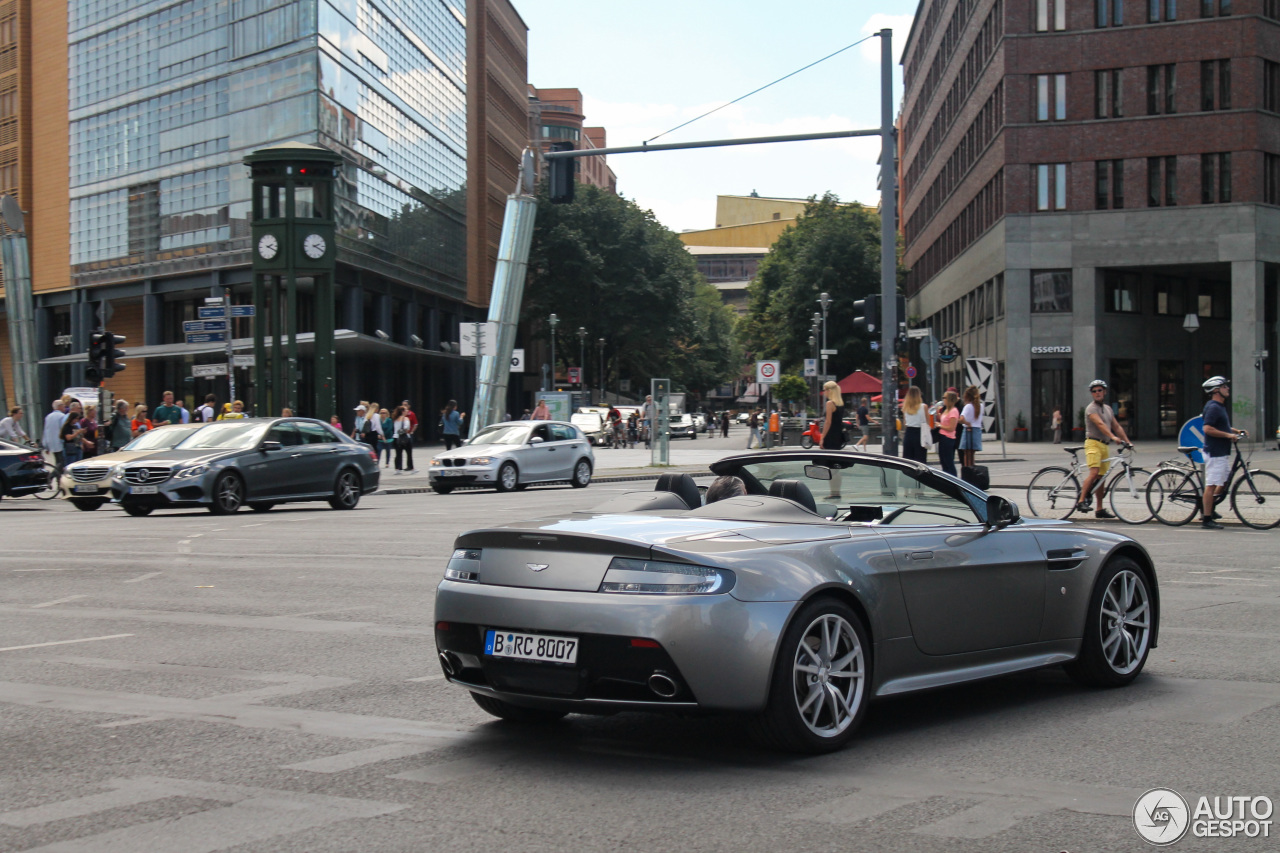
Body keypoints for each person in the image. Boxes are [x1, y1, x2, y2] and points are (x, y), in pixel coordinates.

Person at [1076, 379, 1131, 519]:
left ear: (1104, 392)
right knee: (1094, 473)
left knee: (1102, 478)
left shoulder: (1107, 409)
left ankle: (1099, 509)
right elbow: (1100, 424)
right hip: (1093, 443)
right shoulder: (1091, 408)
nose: (1097, 393)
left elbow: (1116, 426)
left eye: (1099, 390)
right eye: (1094, 391)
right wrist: (1113, 437)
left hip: (1104, 445)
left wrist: (1127, 441)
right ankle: (1081, 501)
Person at [1200, 375, 1245, 530]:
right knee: (1211, 485)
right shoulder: (1213, 407)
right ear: (1216, 390)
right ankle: (1206, 518)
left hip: (1221, 452)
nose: (1228, 389)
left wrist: (1235, 431)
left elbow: (1221, 426)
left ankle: (1210, 506)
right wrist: (1228, 435)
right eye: (1225, 387)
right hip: (1215, 452)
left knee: (1224, 481)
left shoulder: (1219, 407)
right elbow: (1207, 428)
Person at [819, 381, 846, 498]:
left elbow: (828, 422)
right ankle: (836, 492)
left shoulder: (830, 403)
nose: (824, 392)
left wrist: (822, 437)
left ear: (829, 391)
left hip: (830, 436)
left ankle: (833, 493)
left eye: (825, 390)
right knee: (835, 467)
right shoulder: (840, 404)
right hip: (838, 437)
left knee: (830, 466)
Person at [901, 386, 928, 464]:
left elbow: (905, 423)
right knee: (920, 461)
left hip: (908, 433)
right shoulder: (924, 407)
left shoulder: (905, 407)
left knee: (908, 460)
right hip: (920, 433)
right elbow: (927, 423)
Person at [936, 389, 961, 476]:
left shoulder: (954, 411)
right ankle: (946, 479)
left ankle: (953, 480)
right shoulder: (946, 410)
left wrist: (939, 426)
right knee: (943, 461)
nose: (943, 399)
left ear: (949, 399)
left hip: (948, 438)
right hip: (942, 437)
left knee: (948, 461)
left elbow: (951, 428)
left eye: (945, 397)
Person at [959, 386, 983, 469]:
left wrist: (967, 423)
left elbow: (961, 419)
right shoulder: (980, 406)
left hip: (968, 430)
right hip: (977, 430)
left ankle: (967, 470)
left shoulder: (968, 406)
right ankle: (973, 470)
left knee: (966, 453)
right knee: (972, 453)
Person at [391, 404, 414, 474]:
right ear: (403, 411)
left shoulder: (395, 419)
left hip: (396, 437)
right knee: (409, 453)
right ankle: (411, 467)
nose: (407, 411)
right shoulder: (405, 419)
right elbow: (407, 429)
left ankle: (398, 468)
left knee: (398, 454)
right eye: (406, 410)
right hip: (405, 438)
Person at [42, 399, 66, 465]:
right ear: (60, 406)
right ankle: (55, 474)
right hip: (60, 444)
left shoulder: (48, 417)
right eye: (63, 405)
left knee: (57, 462)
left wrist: (46, 445)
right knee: (61, 463)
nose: (64, 406)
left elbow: (45, 431)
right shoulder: (62, 416)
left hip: (51, 444)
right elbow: (64, 430)